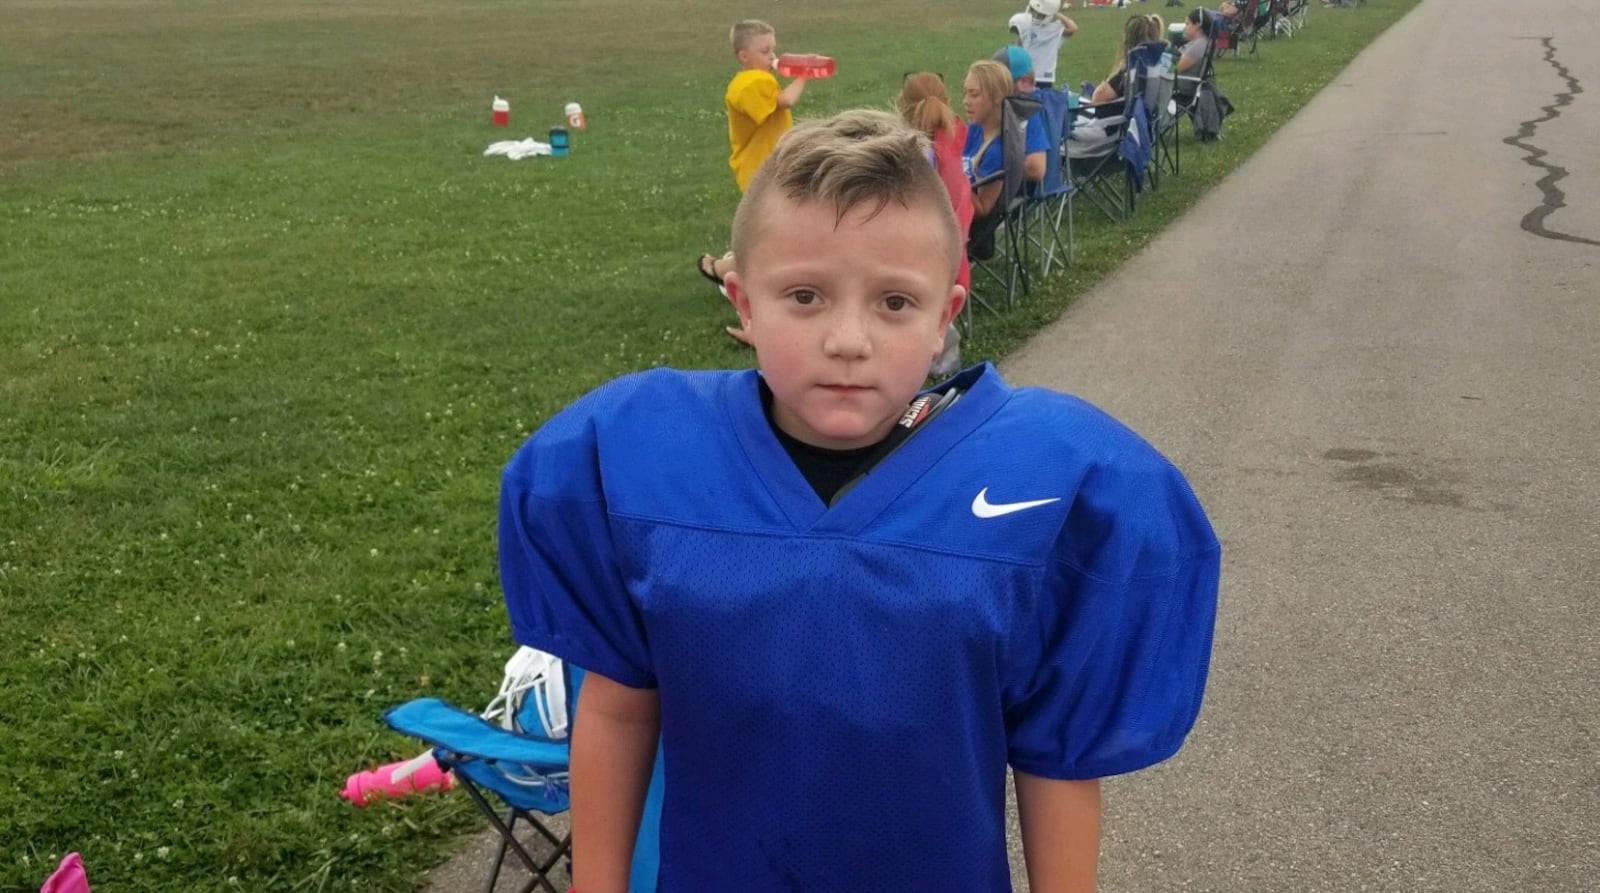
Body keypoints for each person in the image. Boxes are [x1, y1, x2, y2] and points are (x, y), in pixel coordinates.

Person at [498, 107, 1221, 892]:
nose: (849, 338)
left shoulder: (1052, 481)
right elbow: (617, 706)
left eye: (894, 303)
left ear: (946, 315)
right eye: (805, 296)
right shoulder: (644, 456)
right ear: (742, 303)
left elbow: (1057, 755)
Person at [697, 19, 809, 339]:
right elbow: (784, 102)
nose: (772, 56)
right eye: (764, 50)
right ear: (744, 56)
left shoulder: (760, 79)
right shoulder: (752, 83)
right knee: (771, 241)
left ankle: (728, 271)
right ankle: (735, 280)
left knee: (773, 237)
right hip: (763, 172)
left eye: (773, 48)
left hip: (775, 169)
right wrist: (803, 74)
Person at [898, 72, 973, 379]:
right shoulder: (952, 140)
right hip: (956, 260)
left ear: (902, 107)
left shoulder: (913, 155)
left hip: (927, 264)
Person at [1090, 14, 1163, 105]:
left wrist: (1106, 82)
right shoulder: (1160, 63)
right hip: (1155, 116)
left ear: (1128, 41)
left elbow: (1097, 99)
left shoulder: (1130, 72)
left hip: (1123, 116)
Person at [1007, 0, 1078, 89]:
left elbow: (1073, 28)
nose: (1035, 15)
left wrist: (1056, 13)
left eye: (1040, 13)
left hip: (1044, 76)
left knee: (1041, 100)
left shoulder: (1054, 28)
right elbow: (1021, 43)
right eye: (1034, 11)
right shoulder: (1025, 23)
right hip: (1025, 73)